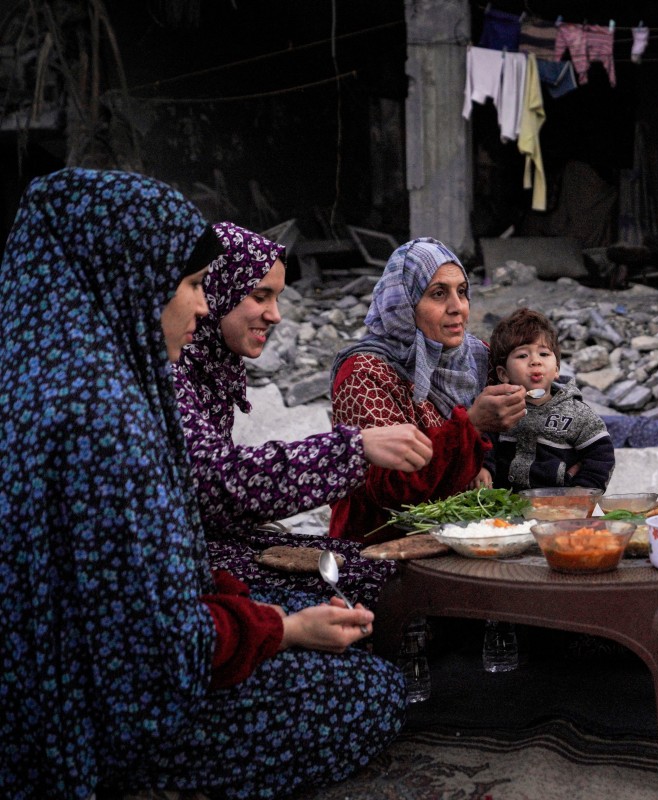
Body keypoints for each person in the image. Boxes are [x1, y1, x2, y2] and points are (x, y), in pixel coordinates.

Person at [0, 168, 404, 800]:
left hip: (73, 687)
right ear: (129, 280)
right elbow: (158, 645)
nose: (202, 303)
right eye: (192, 284)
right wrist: (279, 627)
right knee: (367, 688)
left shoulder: (45, 376)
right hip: (102, 718)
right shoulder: (101, 420)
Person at [174, 221, 433, 600]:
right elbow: (216, 482)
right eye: (260, 296)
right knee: (381, 584)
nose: (276, 315)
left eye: (463, 294)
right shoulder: (171, 369)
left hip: (213, 542)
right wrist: (352, 449)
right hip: (188, 563)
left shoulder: (215, 366)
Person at [328, 237, 526, 540]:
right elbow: (391, 489)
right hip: (382, 545)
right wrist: (471, 426)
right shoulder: (363, 374)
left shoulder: (477, 357)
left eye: (462, 292)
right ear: (404, 304)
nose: (457, 308)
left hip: (469, 532)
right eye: (438, 294)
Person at [479, 307, 614, 490]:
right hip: (505, 508)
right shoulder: (500, 410)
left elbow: (601, 455)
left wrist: (583, 491)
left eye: (544, 354)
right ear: (503, 374)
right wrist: (483, 467)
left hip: (560, 508)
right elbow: (484, 443)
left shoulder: (576, 413)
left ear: (557, 369)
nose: (536, 361)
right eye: (522, 355)